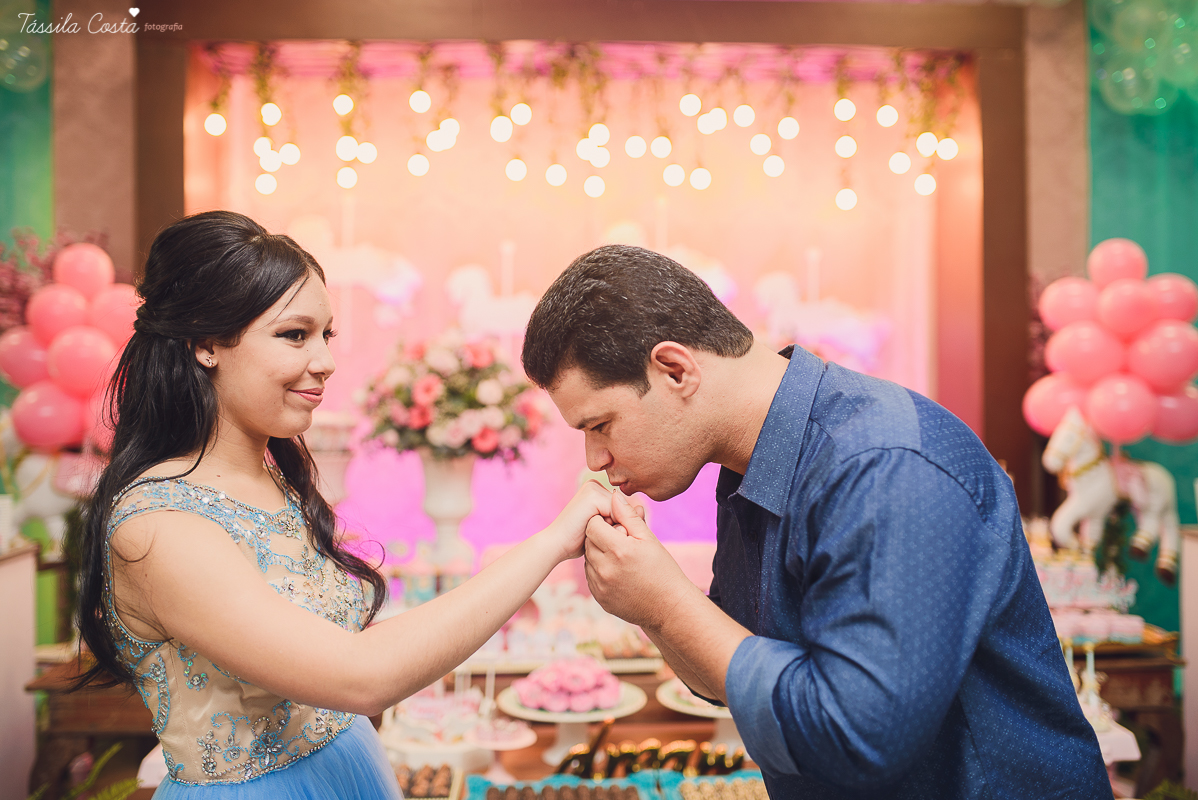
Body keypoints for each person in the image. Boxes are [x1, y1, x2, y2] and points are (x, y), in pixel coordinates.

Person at [521, 245, 1111, 799]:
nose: (596, 461)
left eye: (600, 427)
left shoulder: (881, 463)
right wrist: (645, 599)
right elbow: (726, 673)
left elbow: (858, 736)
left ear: (675, 370)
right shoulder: (753, 460)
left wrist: (664, 604)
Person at [75, 211, 611, 798]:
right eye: (294, 334)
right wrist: (552, 543)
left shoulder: (273, 481)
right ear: (206, 344)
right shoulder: (161, 525)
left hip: (347, 765)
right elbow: (362, 676)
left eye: (327, 334)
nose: (326, 360)